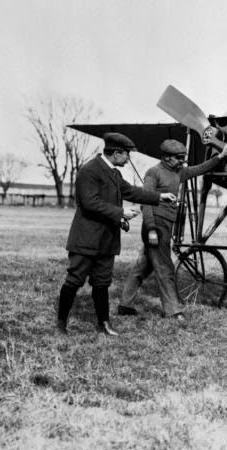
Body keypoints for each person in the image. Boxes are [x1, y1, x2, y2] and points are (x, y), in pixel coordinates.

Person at [55, 132, 177, 336]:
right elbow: (90, 202)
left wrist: (160, 197)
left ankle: (103, 323)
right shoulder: (90, 170)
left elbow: (131, 192)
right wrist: (121, 212)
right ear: (117, 153)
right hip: (86, 239)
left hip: (107, 240)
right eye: (127, 154)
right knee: (74, 280)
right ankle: (61, 323)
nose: (129, 159)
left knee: (102, 282)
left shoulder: (114, 173)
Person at [117, 139, 227, 323]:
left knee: (143, 266)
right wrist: (152, 229)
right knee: (165, 268)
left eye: (183, 158)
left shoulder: (178, 172)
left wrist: (221, 156)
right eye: (179, 158)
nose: (182, 162)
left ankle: (125, 305)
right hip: (155, 226)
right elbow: (146, 202)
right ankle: (172, 311)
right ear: (166, 157)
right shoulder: (153, 173)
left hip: (165, 225)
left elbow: (200, 168)